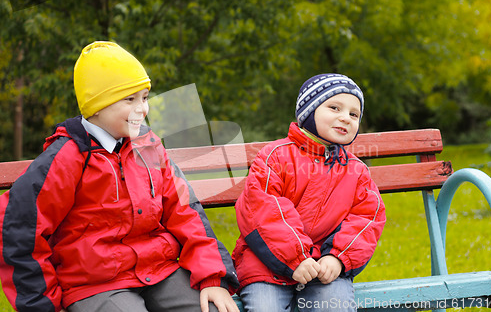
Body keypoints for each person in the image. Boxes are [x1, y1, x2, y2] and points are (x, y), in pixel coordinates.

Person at [0, 41, 239, 312]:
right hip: (94, 283)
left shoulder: (149, 145)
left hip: (159, 269)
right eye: (130, 99)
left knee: (215, 308)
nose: (143, 109)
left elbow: (185, 212)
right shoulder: (67, 158)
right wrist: (43, 305)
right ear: (97, 106)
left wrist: (212, 278)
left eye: (145, 97)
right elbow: (19, 228)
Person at [232, 73, 386, 311]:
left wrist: (338, 257)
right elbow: (263, 210)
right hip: (266, 264)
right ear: (309, 110)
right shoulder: (275, 157)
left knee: (334, 306)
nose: (345, 118)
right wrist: (297, 258)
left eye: (354, 114)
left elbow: (367, 218)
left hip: (324, 267)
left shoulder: (357, 171)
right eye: (335, 107)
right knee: (265, 307)